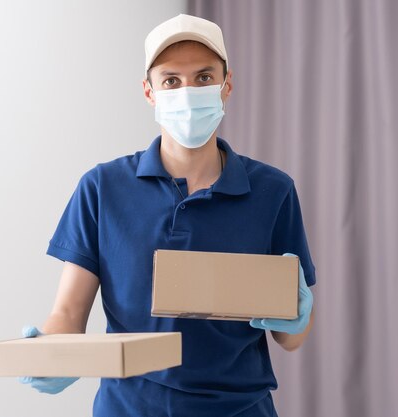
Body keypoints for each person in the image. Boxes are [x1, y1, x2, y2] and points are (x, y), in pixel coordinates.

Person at [18, 14, 316, 417]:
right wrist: (49, 355)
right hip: (128, 408)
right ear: (149, 91)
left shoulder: (272, 191)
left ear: (227, 85)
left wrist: (297, 317)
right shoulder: (103, 188)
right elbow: (69, 313)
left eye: (204, 77)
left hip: (240, 409)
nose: (188, 91)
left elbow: (290, 339)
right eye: (171, 81)